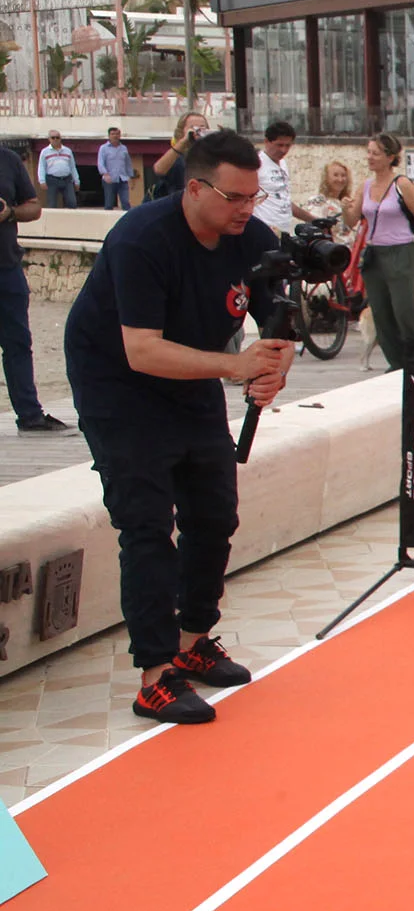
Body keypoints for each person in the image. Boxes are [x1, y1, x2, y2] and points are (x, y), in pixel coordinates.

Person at [62, 129, 294, 724]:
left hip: (191, 377)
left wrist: (275, 365)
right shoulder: (140, 239)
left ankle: (194, 643)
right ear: (195, 189)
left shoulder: (252, 237)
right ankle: (154, 674)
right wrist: (235, 366)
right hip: (120, 386)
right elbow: (141, 350)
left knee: (214, 513)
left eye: (255, 197)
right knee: (146, 527)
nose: (249, 210)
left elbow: (277, 320)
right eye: (236, 198)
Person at [3, 140, 71, 432]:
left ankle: (30, 415)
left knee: (19, 344)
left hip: (6, 269)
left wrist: (9, 213)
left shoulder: (7, 160)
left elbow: (33, 207)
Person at [357, 132, 414, 372]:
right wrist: (348, 207)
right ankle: (397, 363)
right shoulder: (365, 186)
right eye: (368, 152)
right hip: (374, 254)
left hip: (400, 252)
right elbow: (352, 220)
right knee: (381, 311)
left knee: (403, 310)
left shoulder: (402, 184)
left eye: (375, 153)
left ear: (390, 157)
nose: (370, 157)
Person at [150, 111, 208, 200]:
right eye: (193, 127)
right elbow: (159, 169)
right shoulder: (177, 156)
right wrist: (184, 141)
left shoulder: (211, 154)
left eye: (202, 127)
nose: (198, 130)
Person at [256, 120, 298, 235]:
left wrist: (313, 219)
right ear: (266, 142)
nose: (283, 150)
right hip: (263, 229)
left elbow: (285, 200)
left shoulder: (283, 164)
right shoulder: (256, 163)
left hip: (284, 229)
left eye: (287, 145)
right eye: (279, 145)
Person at [38, 130, 78, 208]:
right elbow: (41, 167)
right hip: (52, 180)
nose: (55, 139)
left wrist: (77, 180)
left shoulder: (67, 151)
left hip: (67, 179)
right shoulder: (44, 152)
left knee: (72, 203)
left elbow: (72, 167)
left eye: (57, 137)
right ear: (49, 139)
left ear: (60, 138)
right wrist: (42, 181)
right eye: (53, 138)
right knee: (52, 204)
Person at [98, 126, 134, 211]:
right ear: (109, 136)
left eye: (117, 134)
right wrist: (105, 174)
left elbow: (128, 163)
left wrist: (131, 177)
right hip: (109, 179)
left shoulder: (124, 148)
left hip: (123, 179)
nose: (115, 136)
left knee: (126, 203)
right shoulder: (103, 148)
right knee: (109, 203)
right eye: (113, 134)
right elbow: (100, 163)